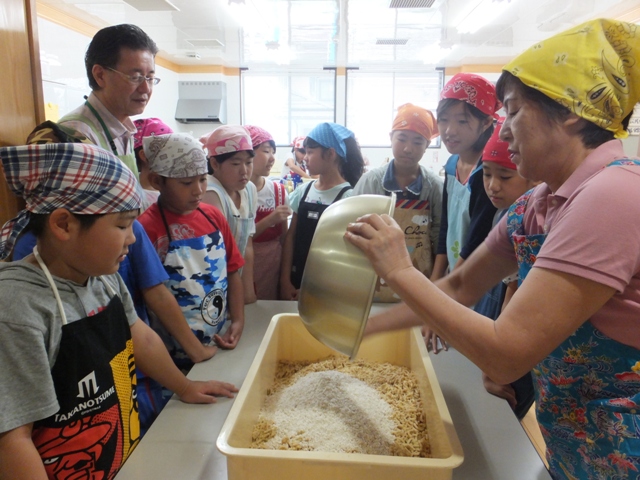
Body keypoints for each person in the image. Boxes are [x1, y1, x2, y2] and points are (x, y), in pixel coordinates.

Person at [345, 18, 640, 479]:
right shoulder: (537, 202)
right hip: (572, 439)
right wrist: (361, 331)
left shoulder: (614, 194)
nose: (502, 133)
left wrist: (400, 270)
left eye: (515, 112)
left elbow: (506, 354)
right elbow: (461, 285)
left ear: (570, 112)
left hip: (623, 446)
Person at [0, 142, 237, 480]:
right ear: (64, 225)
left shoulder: (102, 278)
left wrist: (184, 387)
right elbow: (12, 439)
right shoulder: (18, 307)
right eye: (123, 226)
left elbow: (141, 337)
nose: (133, 239)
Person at [138, 133, 245, 372]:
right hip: (173, 356)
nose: (198, 191)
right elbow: (154, 295)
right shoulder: (148, 228)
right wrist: (193, 348)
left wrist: (238, 320)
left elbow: (233, 269)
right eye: (186, 183)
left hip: (217, 341)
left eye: (203, 180)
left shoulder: (213, 216)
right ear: (157, 181)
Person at [478, 118, 538, 420]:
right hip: (502, 329)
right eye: (486, 174)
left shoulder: (527, 218)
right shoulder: (504, 213)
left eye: (504, 175)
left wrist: (495, 363)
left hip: (518, 342)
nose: (492, 185)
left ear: (531, 176)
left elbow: (514, 294)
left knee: (505, 410)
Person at [353, 103, 442, 302]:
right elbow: (353, 228)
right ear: (390, 137)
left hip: (420, 282)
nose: (408, 149)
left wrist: (436, 284)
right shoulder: (370, 182)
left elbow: (439, 236)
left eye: (418, 142)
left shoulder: (434, 187)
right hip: (372, 281)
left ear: (427, 145)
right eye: (401, 139)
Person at [58, 24, 159, 178]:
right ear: (100, 75)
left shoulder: (124, 129)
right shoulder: (76, 134)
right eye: (135, 77)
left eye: (150, 78)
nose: (145, 88)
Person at [280, 122, 365, 300]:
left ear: (331, 154)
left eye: (310, 152)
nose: (305, 158)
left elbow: (346, 251)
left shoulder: (348, 197)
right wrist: (284, 280)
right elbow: (291, 238)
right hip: (296, 278)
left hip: (328, 285)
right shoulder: (303, 191)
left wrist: (318, 288)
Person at [431, 73, 499, 282]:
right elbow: (446, 226)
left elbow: (477, 239)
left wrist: (448, 286)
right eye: (443, 120)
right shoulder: (452, 165)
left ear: (486, 122)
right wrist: (436, 278)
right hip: (454, 276)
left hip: (476, 281)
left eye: (462, 121)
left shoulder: (488, 172)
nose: (449, 131)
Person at [201, 126, 258, 304]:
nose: (244, 171)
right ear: (214, 164)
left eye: (249, 162)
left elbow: (247, 246)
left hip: (236, 280)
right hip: (213, 282)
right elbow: (214, 254)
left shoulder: (249, 189)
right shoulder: (210, 192)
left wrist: (248, 293)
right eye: (235, 163)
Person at [246, 125, 291, 300]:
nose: (272, 158)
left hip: (272, 267)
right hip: (244, 267)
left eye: (273, 152)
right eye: (266, 151)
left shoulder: (278, 191)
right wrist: (269, 220)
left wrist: (285, 279)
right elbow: (238, 240)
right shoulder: (233, 193)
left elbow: (284, 238)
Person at [133, 117, 173, 211]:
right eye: (167, 149)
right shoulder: (139, 198)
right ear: (144, 155)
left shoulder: (172, 189)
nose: (173, 155)